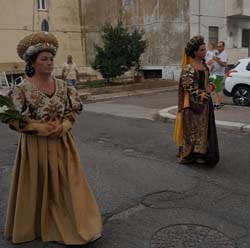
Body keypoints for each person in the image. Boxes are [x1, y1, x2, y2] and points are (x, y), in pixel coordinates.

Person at [3, 32, 102, 245]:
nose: (49, 63)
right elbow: (12, 118)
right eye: (44, 59)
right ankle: (38, 225)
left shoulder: (64, 86)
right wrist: (39, 128)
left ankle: (74, 224)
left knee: (69, 184)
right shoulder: (21, 89)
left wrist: (65, 124)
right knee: (37, 185)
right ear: (32, 62)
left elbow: (74, 109)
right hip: (34, 146)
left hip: (63, 143)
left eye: (51, 59)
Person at [174, 35, 219, 166]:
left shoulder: (204, 65)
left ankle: (202, 154)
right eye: (202, 50)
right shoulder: (188, 67)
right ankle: (190, 155)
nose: (205, 52)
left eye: (205, 49)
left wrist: (210, 85)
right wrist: (199, 94)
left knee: (204, 130)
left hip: (205, 103)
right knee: (192, 131)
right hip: (193, 104)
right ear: (195, 52)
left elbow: (207, 79)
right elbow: (187, 86)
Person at [211, 41, 228, 109]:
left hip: (219, 74)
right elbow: (214, 62)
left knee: (217, 88)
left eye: (220, 46)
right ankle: (219, 102)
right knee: (216, 88)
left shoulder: (224, 54)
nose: (218, 48)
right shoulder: (218, 54)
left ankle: (218, 104)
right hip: (214, 73)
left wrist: (216, 60)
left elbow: (224, 64)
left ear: (223, 47)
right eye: (218, 46)